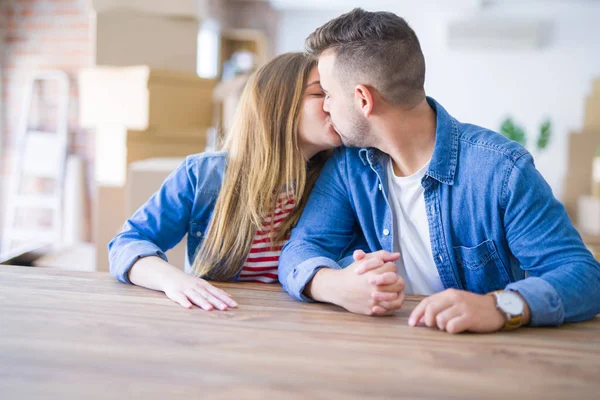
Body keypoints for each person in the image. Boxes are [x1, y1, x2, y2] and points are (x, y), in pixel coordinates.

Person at [279, 8, 600, 333]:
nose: (326, 106)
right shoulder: (350, 167)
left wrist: (499, 306)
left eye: (329, 94)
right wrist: (335, 285)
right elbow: (302, 248)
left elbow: (583, 276)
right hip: (382, 350)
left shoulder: (502, 171)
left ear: (364, 100)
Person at [108, 52, 372, 311]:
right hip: (224, 320)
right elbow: (127, 243)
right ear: (278, 106)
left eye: (335, 95)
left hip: (312, 327)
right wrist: (173, 280)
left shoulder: (345, 180)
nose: (334, 105)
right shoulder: (202, 175)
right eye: (320, 94)